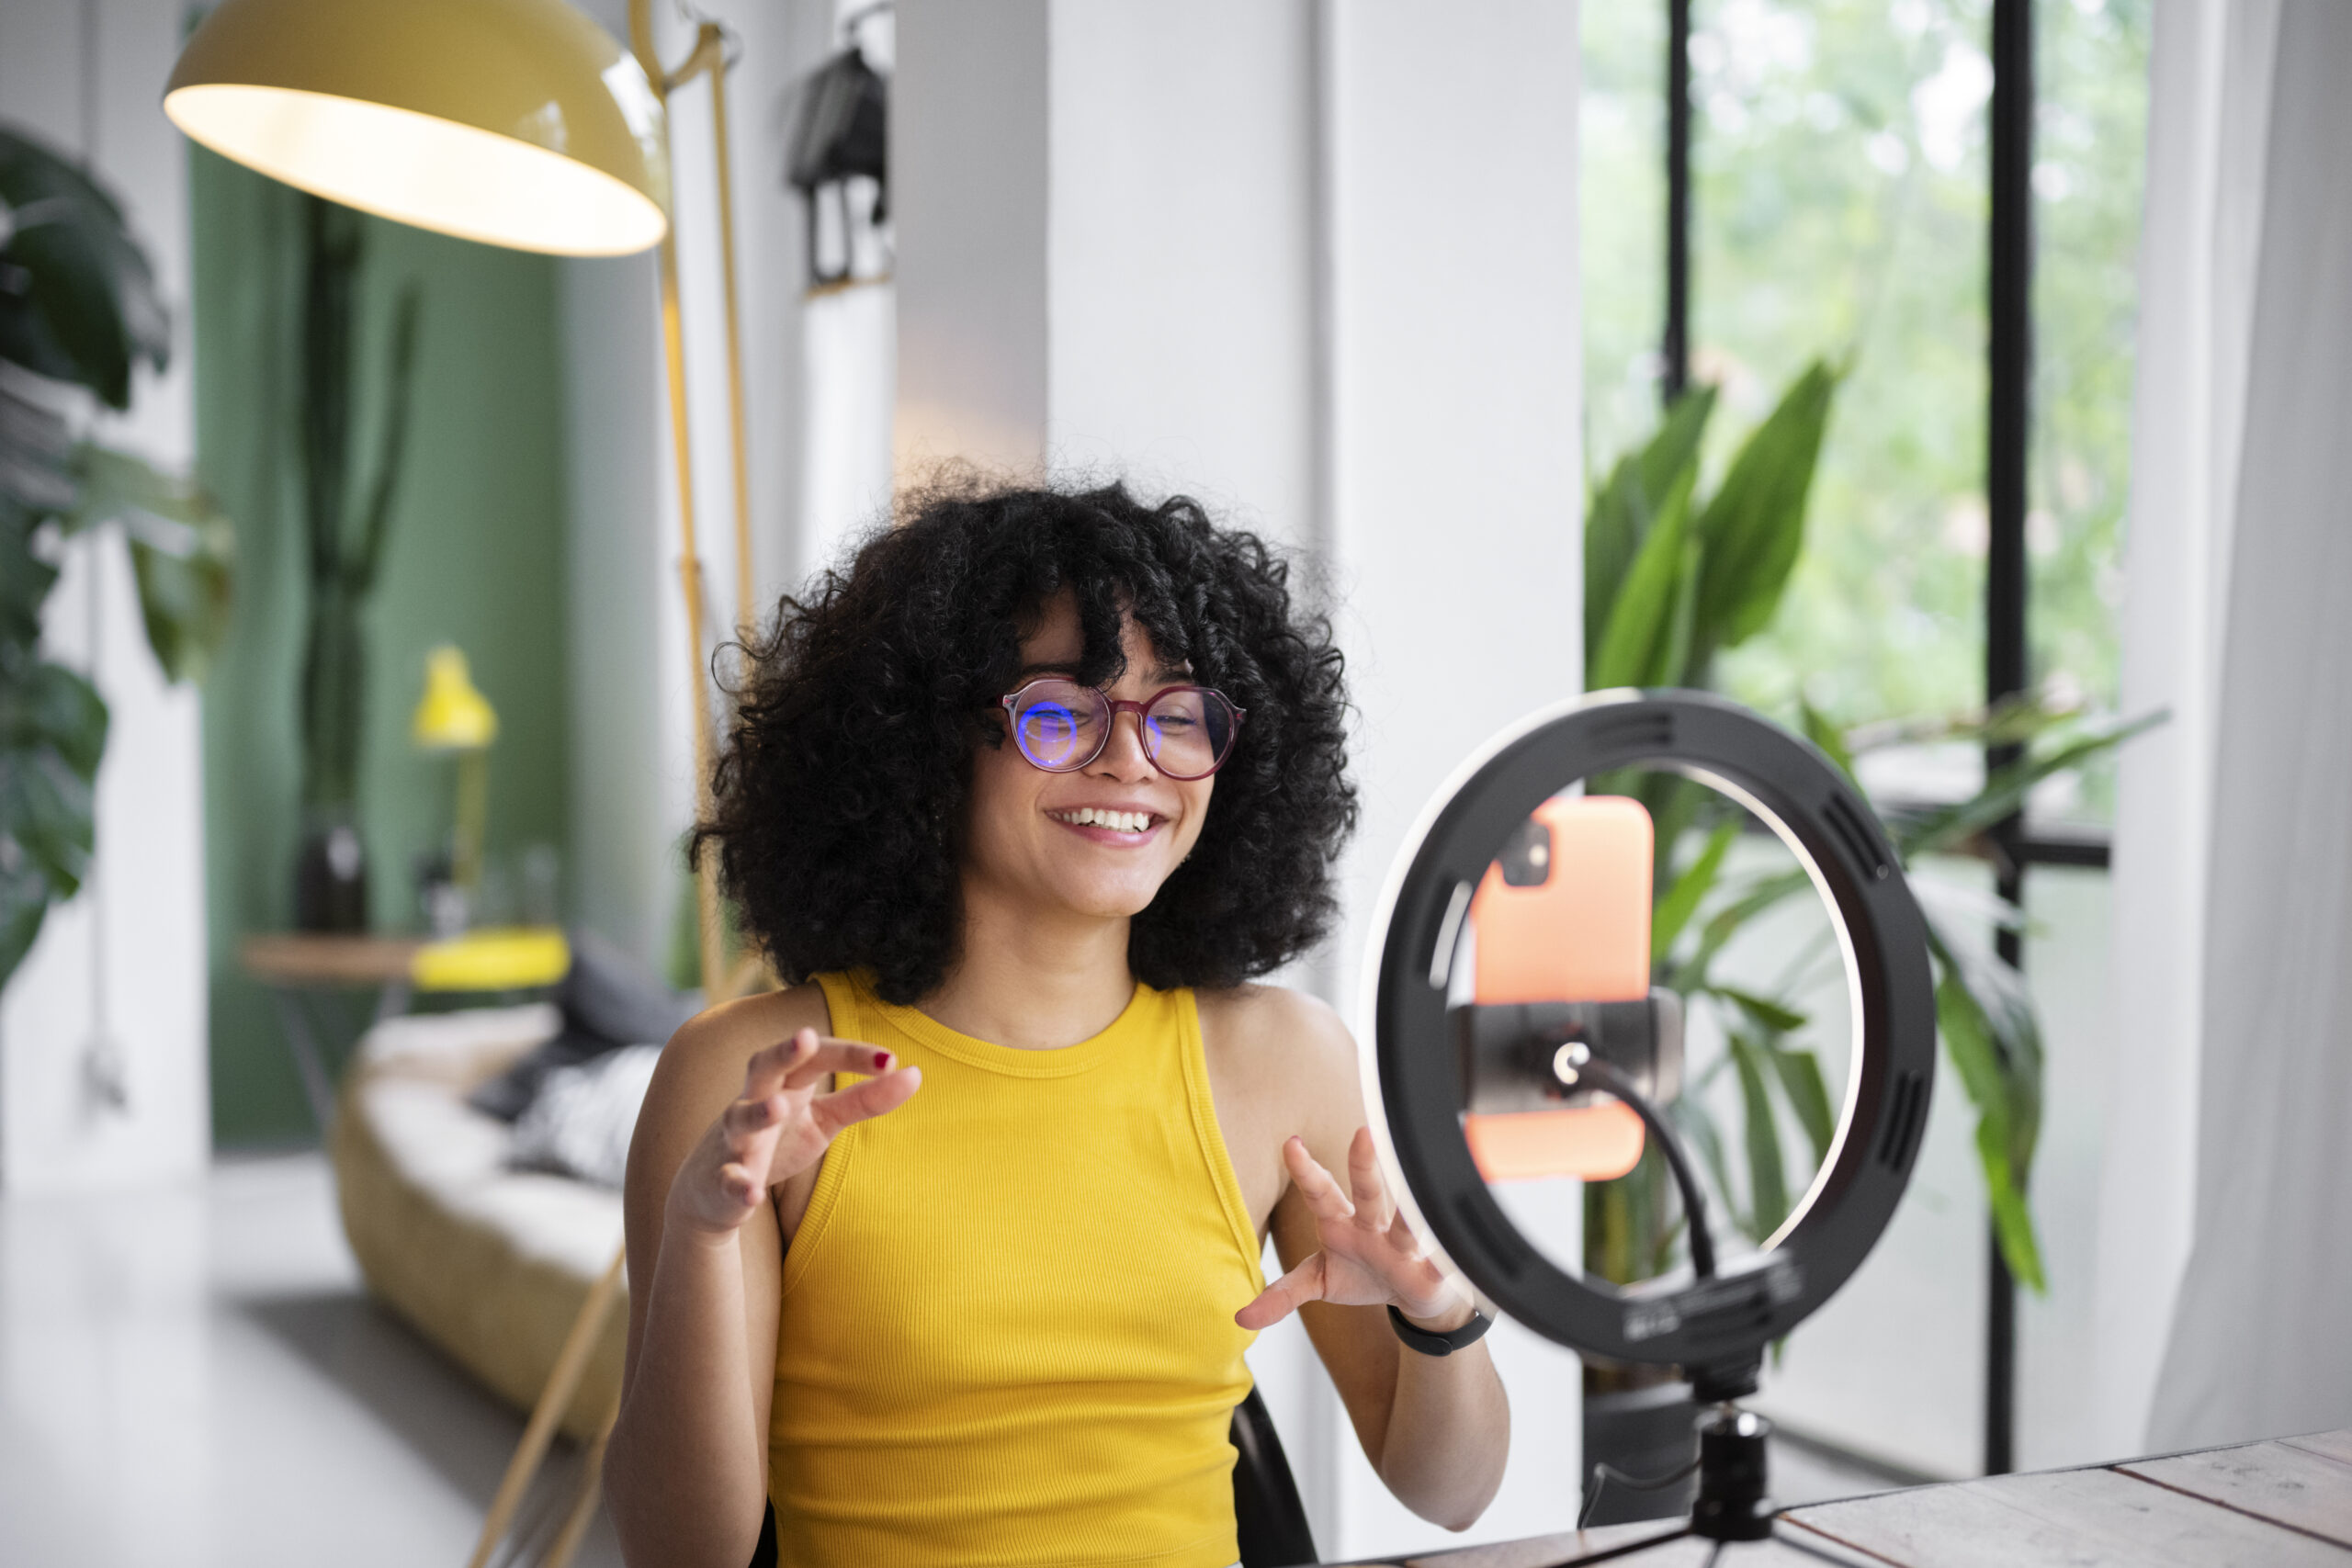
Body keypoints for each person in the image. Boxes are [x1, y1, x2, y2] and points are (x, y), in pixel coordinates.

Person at [604, 481, 1509, 1568]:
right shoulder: (747, 1079)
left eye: (1178, 714)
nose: (1131, 760)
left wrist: (1438, 1315)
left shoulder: (1282, 1064)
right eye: (1060, 711)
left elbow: (1450, 1495)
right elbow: (680, 1552)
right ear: (928, 741)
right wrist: (704, 1234)